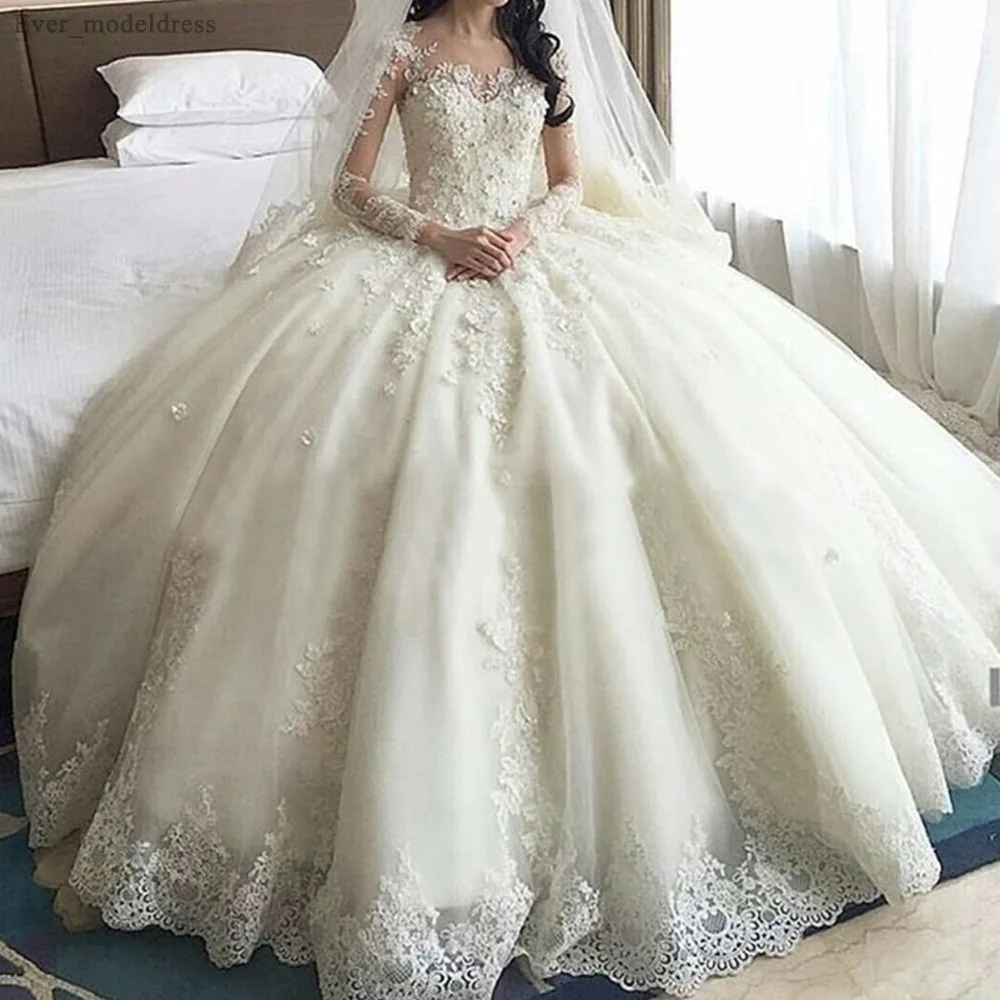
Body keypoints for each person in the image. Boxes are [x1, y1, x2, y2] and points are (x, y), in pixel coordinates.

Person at [13, 0, 1000, 997]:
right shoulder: (404, 49)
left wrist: (523, 229)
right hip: (420, 257)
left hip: (533, 254)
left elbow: (567, 180)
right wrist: (437, 234)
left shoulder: (541, 52)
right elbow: (351, 184)